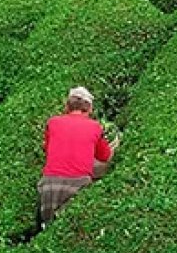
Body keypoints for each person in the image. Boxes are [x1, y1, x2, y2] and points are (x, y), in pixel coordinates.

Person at [37, 86, 118, 229]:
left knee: (48, 229)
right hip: (79, 185)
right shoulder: (95, 127)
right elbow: (104, 157)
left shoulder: (53, 122)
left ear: (67, 106)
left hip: (49, 186)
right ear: (90, 109)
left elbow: (47, 149)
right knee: (70, 229)